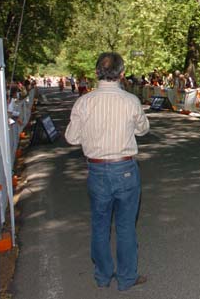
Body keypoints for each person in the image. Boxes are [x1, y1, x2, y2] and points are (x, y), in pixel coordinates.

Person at [64, 52, 149, 291]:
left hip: (97, 169)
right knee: (125, 226)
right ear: (122, 74)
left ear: (95, 73)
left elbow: (71, 138)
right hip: (125, 169)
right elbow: (143, 129)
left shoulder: (84, 102)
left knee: (100, 225)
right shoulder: (130, 101)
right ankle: (126, 278)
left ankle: (102, 276)